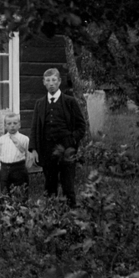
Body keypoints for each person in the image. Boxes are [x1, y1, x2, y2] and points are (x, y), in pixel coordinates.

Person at [30, 68, 87, 206]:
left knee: (68, 183)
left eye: (54, 80)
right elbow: (35, 127)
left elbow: (81, 126)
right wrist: (34, 149)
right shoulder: (40, 103)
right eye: (48, 80)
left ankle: (71, 211)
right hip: (47, 149)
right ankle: (51, 212)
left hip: (67, 148)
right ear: (43, 82)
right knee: (50, 183)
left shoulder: (69, 101)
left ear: (59, 81)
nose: (51, 83)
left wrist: (72, 140)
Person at [0, 112, 31, 195]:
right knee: (5, 192)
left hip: (19, 168)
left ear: (19, 125)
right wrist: (1, 168)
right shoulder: (1, 139)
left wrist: (25, 168)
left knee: (20, 192)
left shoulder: (24, 139)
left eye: (15, 123)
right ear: (5, 126)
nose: (12, 126)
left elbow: (28, 155)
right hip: (4, 169)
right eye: (9, 124)